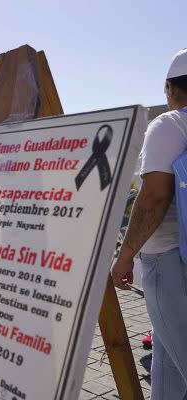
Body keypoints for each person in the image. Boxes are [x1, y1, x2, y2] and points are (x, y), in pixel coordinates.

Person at [111, 48, 187, 399]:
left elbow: (153, 197)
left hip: (168, 261)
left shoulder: (169, 124)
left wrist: (126, 255)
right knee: (166, 362)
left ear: (170, 88)